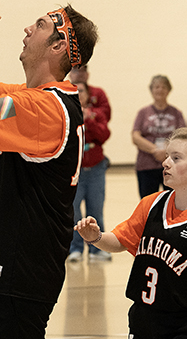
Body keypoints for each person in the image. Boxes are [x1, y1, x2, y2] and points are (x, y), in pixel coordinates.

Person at [0, 4, 98, 338]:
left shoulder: (43, 109)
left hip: (19, 276)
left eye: (39, 25)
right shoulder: (36, 97)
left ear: (58, 46)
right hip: (3, 271)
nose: (26, 29)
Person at [76, 127, 187, 338]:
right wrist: (96, 237)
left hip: (185, 328)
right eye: (167, 156)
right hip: (142, 322)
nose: (166, 163)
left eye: (176, 158)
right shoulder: (152, 203)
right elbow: (121, 240)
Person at [67, 79, 112, 263]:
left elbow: (104, 135)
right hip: (74, 171)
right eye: (75, 92)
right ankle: (75, 248)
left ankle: (96, 248)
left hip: (95, 169)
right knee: (75, 212)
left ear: (88, 94)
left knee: (95, 209)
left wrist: (89, 121)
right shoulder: (67, 113)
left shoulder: (96, 114)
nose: (79, 95)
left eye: (82, 91)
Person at [132, 75, 186, 198]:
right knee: (148, 203)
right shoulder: (143, 112)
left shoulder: (176, 113)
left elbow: (183, 136)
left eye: (163, 87)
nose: (160, 90)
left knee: (173, 202)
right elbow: (135, 136)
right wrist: (154, 150)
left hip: (172, 166)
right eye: (156, 87)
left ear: (168, 90)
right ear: (151, 90)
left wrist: (167, 151)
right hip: (146, 166)